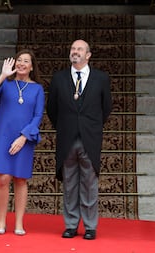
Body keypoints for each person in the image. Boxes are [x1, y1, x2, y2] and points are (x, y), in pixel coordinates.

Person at [46, 39, 112, 240]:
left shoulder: (101, 78)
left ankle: (90, 226)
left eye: (79, 49)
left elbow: (106, 108)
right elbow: (52, 109)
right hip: (67, 137)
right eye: (73, 48)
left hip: (90, 138)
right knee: (70, 184)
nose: (75, 52)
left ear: (88, 55)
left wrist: (91, 127)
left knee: (89, 184)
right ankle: (71, 224)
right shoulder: (59, 78)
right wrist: (65, 126)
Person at [0, 50, 45, 236]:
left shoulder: (38, 89)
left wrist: (24, 137)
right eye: (19, 60)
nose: (22, 63)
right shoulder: (6, 83)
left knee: (20, 179)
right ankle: (1, 222)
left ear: (32, 66)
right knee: (3, 178)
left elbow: (38, 116)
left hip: (24, 137)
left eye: (26, 61)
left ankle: (19, 223)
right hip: (3, 135)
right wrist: (2, 76)